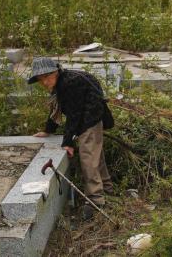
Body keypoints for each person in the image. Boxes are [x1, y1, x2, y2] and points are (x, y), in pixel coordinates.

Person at [28, 57, 114, 220]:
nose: (45, 82)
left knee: (88, 158)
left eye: (47, 77)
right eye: (41, 80)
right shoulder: (61, 84)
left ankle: (96, 199)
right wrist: (48, 131)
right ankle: (107, 189)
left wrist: (68, 142)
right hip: (88, 118)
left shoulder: (70, 83)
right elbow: (57, 109)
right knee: (96, 156)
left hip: (90, 119)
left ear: (56, 72)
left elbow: (74, 115)